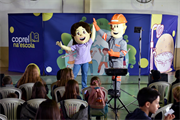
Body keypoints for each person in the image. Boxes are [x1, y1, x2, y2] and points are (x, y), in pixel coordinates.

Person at [56, 22, 95, 90]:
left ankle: (84, 87)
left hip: (85, 62)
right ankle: (70, 86)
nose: (81, 35)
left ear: (88, 33)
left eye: (83, 32)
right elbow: (69, 48)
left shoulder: (88, 44)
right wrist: (62, 46)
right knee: (73, 75)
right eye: (78, 33)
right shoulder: (76, 46)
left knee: (84, 75)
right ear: (74, 36)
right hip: (78, 62)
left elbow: (93, 36)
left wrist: (94, 26)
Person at [93, 14, 128, 91]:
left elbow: (124, 53)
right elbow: (103, 35)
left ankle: (117, 91)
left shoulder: (122, 42)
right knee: (113, 76)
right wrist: (96, 27)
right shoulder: (110, 39)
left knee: (117, 77)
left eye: (117, 26)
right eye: (113, 26)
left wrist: (115, 54)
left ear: (123, 28)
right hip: (111, 62)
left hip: (118, 63)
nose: (114, 28)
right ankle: (114, 89)